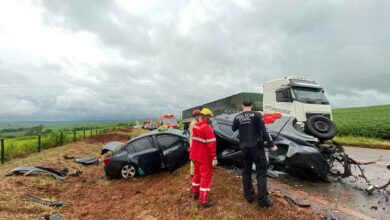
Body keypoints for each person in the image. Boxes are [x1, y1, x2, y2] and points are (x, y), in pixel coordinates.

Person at [232, 101, 278, 208]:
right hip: (256, 147)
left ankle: (249, 196)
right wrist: (272, 145)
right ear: (252, 106)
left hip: (244, 148)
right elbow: (264, 130)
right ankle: (262, 200)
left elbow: (234, 128)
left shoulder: (238, 117)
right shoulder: (257, 115)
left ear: (242, 106)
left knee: (246, 172)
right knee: (261, 172)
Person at [190, 108, 217, 207]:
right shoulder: (207, 128)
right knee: (205, 177)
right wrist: (214, 158)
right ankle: (204, 201)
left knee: (196, 175)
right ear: (208, 117)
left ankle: (195, 193)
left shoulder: (196, 126)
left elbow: (195, 142)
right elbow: (211, 145)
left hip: (195, 156)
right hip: (204, 157)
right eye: (210, 116)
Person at [189, 109, 201, 176]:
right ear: (194, 116)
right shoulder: (194, 123)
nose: (198, 116)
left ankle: (195, 171)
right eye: (197, 115)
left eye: (199, 115)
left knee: (196, 157)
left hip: (195, 141)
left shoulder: (197, 121)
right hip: (193, 142)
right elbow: (195, 134)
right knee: (193, 157)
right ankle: (192, 172)